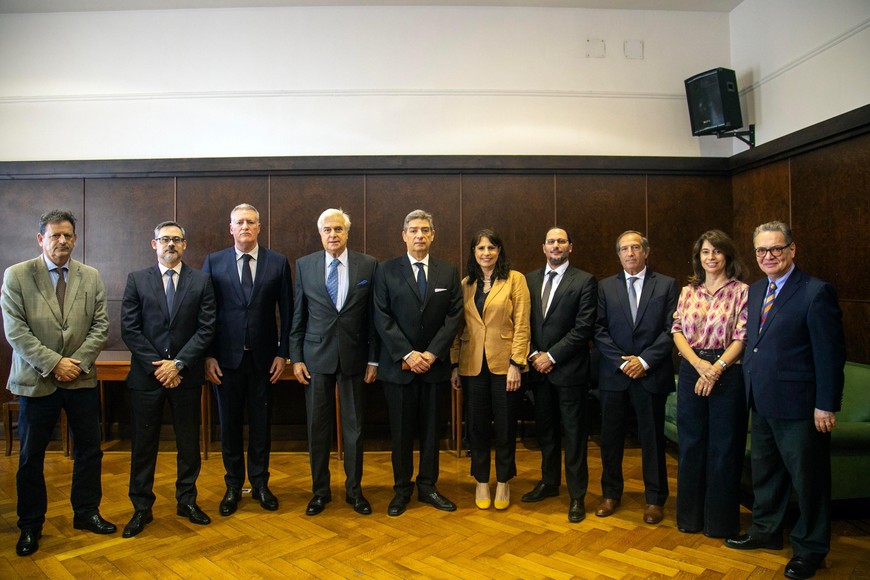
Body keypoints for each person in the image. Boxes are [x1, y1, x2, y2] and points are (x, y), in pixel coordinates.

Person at [725, 221, 845, 580]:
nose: (768, 256)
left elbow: (830, 354)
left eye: (776, 248)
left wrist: (826, 404)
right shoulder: (756, 290)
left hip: (801, 406)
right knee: (767, 474)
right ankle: (766, 531)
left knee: (809, 481)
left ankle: (810, 549)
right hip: (761, 400)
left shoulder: (816, 292)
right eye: (761, 250)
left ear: (792, 249)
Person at [1, 210, 114, 557]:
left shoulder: (90, 276)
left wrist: (74, 364)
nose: (62, 241)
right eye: (55, 235)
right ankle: (30, 525)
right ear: (41, 239)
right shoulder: (17, 275)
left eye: (67, 235)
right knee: (31, 456)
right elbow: (16, 331)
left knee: (89, 450)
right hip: (37, 381)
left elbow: (101, 326)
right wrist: (54, 363)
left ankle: (86, 513)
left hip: (80, 379)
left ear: (75, 239)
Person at [120, 221, 216, 537]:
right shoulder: (137, 280)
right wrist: (159, 368)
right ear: (154, 244)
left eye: (176, 239)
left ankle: (187, 501)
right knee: (143, 445)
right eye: (164, 239)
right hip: (147, 378)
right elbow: (130, 329)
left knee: (188, 443)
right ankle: (141, 508)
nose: (170, 244)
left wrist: (177, 364)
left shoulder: (201, 281)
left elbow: (206, 328)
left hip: (185, 377)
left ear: (184, 244)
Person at [203, 203, 292, 516]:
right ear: (231, 228)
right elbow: (205, 312)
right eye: (239, 222)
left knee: (261, 426)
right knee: (228, 427)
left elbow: (288, 311)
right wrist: (208, 355)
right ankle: (232, 485)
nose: (245, 227)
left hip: (264, 362)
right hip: (225, 362)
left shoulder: (277, 262)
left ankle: (260, 483)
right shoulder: (214, 262)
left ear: (259, 227)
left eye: (250, 222)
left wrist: (283, 353)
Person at [373, 210, 463, 516]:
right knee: (400, 433)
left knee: (431, 432)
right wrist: (408, 354)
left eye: (425, 230)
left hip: (434, 368)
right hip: (399, 369)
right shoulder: (386, 271)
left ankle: (428, 487)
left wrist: (432, 353)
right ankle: (401, 490)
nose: (419, 235)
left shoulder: (447, 272)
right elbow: (381, 316)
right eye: (413, 230)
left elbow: (454, 316)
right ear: (404, 235)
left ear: (433, 235)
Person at [289, 208, 379, 517]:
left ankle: (355, 491)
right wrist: (296, 358)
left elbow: (373, 318)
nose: (333, 234)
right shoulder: (305, 265)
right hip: (315, 359)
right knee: (317, 428)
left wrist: (373, 359)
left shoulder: (368, 264)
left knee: (354, 429)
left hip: (355, 358)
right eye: (327, 229)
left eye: (338, 229)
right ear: (320, 234)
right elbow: (298, 316)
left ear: (347, 233)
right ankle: (320, 492)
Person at [593, 230, 678, 524]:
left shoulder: (666, 285)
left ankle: (655, 499)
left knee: (652, 440)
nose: (630, 253)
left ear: (646, 252)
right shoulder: (605, 287)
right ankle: (610, 494)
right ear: (618, 255)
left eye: (635, 248)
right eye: (624, 249)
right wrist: (622, 363)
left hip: (650, 374)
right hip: (614, 375)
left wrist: (643, 361)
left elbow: (672, 330)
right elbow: (598, 329)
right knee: (611, 439)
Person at [671, 230, 748, 537]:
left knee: (724, 447)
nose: (711, 257)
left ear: (727, 255)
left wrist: (715, 369)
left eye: (717, 251)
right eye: (705, 252)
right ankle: (689, 519)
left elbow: (742, 337)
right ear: (698, 257)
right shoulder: (688, 291)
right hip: (693, 367)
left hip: (728, 371)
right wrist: (699, 365)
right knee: (691, 444)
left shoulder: (742, 291)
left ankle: (720, 524)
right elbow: (677, 330)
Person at [450, 229, 530, 511]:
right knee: (476, 426)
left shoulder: (515, 279)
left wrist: (516, 363)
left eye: (491, 248)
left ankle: (504, 481)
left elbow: (522, 324)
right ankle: (482, 480)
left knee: (506, 426)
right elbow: (458, 328)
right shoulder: (466, 283)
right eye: (481, 248)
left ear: (499, 251)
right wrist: (455, 364)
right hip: (472, 366)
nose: (486, 253)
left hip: (504, 365)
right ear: (474, 253)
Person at [521, 227, 597, 523]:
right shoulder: (528, 280)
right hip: (538, 373)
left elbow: (583, 328)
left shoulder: (585, 280)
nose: (556, 245)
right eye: (551, 241)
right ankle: (549, 482)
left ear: (570, 247)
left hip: (569, 372)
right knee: (546, 433)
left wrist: (551, 356)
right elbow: (522, 323)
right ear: (543, 247)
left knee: (574, 436)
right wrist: (533, 355)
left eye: (561, 241)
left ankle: (577, 495)